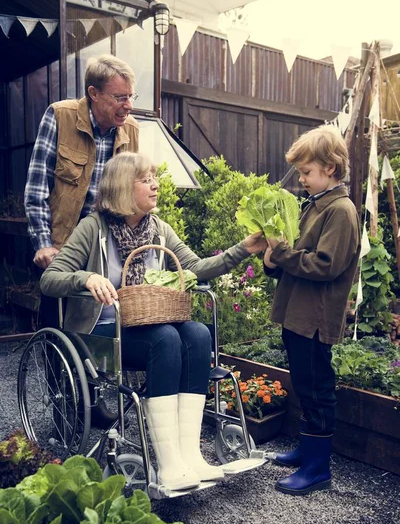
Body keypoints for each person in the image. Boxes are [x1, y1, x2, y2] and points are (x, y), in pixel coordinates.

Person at [40, 151, 267, 491]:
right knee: (167, 339)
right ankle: (168, 463)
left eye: (154, 178)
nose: (155, 184)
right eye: (145, 180)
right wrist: (86, 278)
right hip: (102, 331)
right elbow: (50, 279)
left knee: (198, 334)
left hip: (146, 325)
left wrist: (244, 249)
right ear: (121, 187)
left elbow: (195, 267)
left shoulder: (158, 229)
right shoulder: (93, 228)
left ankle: (190, 456)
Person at [263, 125, 360, 496]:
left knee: (318, 388)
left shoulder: (340, 211)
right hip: (297, 314)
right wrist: (273, 259)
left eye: (306, 172)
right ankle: (308, 449)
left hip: (315, 319)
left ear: (330, 168)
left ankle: (318, 468)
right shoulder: (316, 205)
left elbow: (325, 265)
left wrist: (282, 254)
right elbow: (294, 256)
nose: (301, 179)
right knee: (305, 383)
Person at [24, 53, 139, 270]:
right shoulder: (60, 115)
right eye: (120, 97)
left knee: (107, 305)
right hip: (62, 251)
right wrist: (43, 244)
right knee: (57, 305)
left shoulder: (131, 129)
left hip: (111, 252)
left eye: (132, 96)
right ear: (93, 93)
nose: (129, 105)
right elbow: (37, 189)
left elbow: (133, 195)